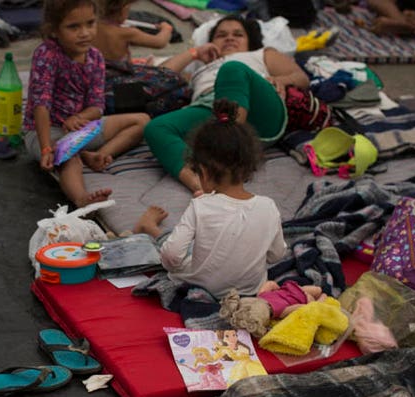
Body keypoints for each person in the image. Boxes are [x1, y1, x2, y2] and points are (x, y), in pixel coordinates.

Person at [136, 99, 285, 298]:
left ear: (203, 172)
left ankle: (151, 227)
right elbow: (277, 254)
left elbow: (171, 256)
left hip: (204, 287)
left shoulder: (200, 206)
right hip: (251, 290)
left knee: (180, 248)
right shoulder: (268, 207)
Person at [143, 14, 308, 194]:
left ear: (249, 40)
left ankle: (228, 154)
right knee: (156, 127)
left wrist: (280, 80)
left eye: (238, 34)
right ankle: (200, 182)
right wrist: (194, 53)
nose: (229, 38)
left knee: (232, 69)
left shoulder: (261, 54)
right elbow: (159, 77)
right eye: (221, 35)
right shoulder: (201, 67)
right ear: (212, 42)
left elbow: (301, 78)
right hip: (211, 109)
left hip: (258, 107)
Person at [25, 0, 150, 207]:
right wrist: (46, 148)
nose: (84, 33)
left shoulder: (95, 57)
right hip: (45, 132)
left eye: (90, 23)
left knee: (143, 120)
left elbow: (96, 106)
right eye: (74, 27)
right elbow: (41, 104)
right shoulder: (46, 54)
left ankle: (98, 155)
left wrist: (81, 117)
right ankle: (82, 199)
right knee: (68, 155)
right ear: (54, 30)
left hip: (80, 130)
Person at [92, 0, 190, 116]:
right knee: (177, 80)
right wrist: (166, 29)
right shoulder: (127, 33)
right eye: (127, 10)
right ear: (120, 11)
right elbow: (160, 42)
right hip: (121, 84)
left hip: (100, 81)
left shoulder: (93, 28)